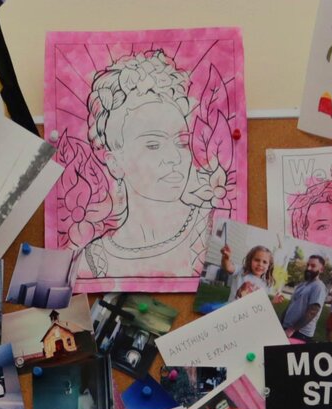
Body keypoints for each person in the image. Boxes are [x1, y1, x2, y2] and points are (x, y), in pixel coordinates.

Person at [74, 50, 230, 281]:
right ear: (115, 163)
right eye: (153, 144)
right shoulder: (94, 260)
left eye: (182, 142)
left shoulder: (214, 231)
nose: (175, 157)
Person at [280, 253, 330, 338]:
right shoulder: (302, 284)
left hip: (300, 333)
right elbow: (291, 305)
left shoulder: (319, 287)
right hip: (287, 327)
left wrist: (292, 329)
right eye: (308, 265)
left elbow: (313, 311)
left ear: (321, 269)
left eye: (313, 266)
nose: (308, 268)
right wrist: (281, 321)